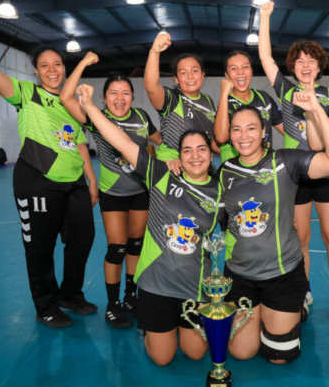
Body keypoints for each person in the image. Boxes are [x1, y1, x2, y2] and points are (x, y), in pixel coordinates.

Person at [0, 11, 96, 328]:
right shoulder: (26, 93)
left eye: (57, 64)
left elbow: (79, 144)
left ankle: (70, 295)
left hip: (74, 182)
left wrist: (91, 180)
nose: (52, 70)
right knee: (40, 248)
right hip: (37, 180)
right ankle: (46, 305)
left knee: (83, 238)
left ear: (64, 68)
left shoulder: (70, 103)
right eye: (44, 65)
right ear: (35, 70)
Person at [77, 83, 226, 366]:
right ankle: (151, 327)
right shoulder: (160, 175)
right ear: (178, 155)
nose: (195, 156)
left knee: (195, 353)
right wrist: (89, 107)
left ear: (211, 153)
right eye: (187, 150)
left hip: (194, 287)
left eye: (201, 149)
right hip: (156, 285)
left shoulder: (220, 191)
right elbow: (121, 141)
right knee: (162, 358)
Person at [220, 82, 329, 365]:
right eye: (237, 129)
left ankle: (293, 309)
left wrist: (316, 111)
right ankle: (266, 316)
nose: (244, 136)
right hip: (241, 276)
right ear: (230, 135)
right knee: (241, 352)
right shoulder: (225, 171)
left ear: (264, 132)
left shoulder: (285, 160)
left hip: (282, 276)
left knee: (279, 357)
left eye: (251, 128)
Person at [258, 1, 329, 320]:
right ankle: (304, 291)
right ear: (293, 68)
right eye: (299, 61)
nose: (305, 65)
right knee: (302, 238)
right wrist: (265, 17)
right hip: (295, 175)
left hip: (326, 174)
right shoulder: (285, 90)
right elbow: (265, 57)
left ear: (319, 66)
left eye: (311, 60)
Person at [60, 52, 162, 329]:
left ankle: (131, 297)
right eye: (113, 93)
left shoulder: (141, 116)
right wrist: (82, 64)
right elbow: (66, 98)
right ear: (104, 98)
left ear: (132, 97)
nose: (120, 98)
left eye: (126, 93)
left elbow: (161, 141)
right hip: (113, 194)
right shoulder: (97, 117)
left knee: (136, 245)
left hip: (141, 192)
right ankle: (113, 305)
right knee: (117, 248)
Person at [144, 32, 218, 166]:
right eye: (183, 72)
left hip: (198, 163)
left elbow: (211, 138)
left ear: (202, 75)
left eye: (194, 71)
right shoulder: (171, 99)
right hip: (171, 164)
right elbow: (151, 86)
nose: (190, 76)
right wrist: (154, 52)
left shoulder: (208, 101)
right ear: (176, 79)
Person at [214, 50, 284, 163]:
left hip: (264, 166)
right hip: (234, 168)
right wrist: (224, 94)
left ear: (251, 71)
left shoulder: (264, 97)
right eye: (234, 68)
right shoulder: (226, 103)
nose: (240, 72)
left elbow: (287, 131)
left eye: (245, 67)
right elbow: (221, 138)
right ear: (226, 75)